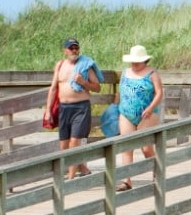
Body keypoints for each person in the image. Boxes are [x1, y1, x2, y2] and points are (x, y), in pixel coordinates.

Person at [104, 45, 165, 191]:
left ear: (144, 60)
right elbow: (121, 92)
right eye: (133, 61)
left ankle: (157, 172)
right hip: (126, 112)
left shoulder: (152, 74)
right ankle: (127, 180)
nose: (135, 64)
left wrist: (150, 108)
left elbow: (159, 92)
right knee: (126, 146)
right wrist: (115, 107)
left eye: (137, 61)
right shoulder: (125, 73)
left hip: (147, 113)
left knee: (146, 148)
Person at [51, 38, 101, 174]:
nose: (74, 50)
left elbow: (97, 87)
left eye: (76, 48)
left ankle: (70, 178)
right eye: (71, 48)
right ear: (65, 50)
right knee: (64, 144)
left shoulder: (85, 66)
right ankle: (77, 169)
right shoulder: (60, 65)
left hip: (81, 107)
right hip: (64, 108)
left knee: (75, 141)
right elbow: (53, 88)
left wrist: (83, 82)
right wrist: (48, 111)